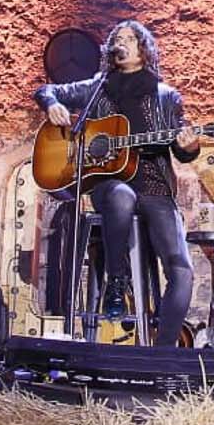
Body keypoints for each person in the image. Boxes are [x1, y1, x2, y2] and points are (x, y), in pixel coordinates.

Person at [34, 20, 199, 345]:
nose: (121, 43)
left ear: (143, 49)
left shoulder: (166, 97)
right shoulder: (99, 88)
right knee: (121, 195)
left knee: (181, 269)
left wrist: (190, 145)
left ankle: (163, 352)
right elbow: (45, 90)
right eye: (117, 39)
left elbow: (182, 151)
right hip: (109, 184)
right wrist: (52, 104)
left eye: (129, 39)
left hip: (154, 186)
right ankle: (116, 280)